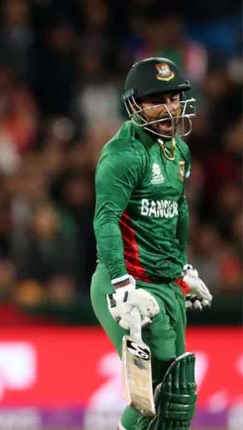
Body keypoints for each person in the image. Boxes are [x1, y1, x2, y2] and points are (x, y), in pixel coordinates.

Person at [90, 57, 213, 430]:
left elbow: (179, 209)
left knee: (178, 396)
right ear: (134, 105)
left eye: (174, 98)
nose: (170, 108)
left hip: (167, 282)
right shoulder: (123, 155)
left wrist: (182, 268)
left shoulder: (179, 152)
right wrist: (122, 284)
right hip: (129, 283)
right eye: (157, 100)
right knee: (154, 391)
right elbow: (105, 219)